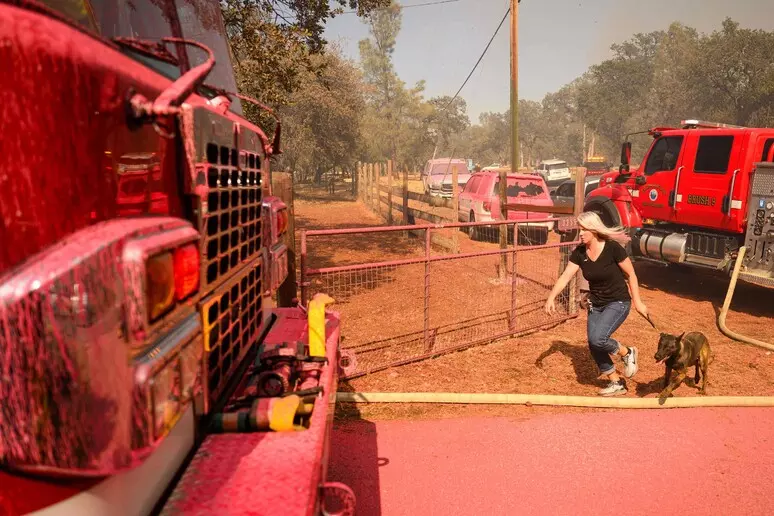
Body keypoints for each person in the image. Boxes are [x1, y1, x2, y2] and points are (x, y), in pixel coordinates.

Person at [544, 211, 648, 396]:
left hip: (618, 301)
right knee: (594, 344)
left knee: (598, 339)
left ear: (594, 229)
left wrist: (638, 302)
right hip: (596, 304)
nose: (581, 233)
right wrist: (551, 297)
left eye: (584, 230)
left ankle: (627, 352)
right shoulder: (580, 253)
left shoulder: (613, 248)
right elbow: (566, 276)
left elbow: (631, 274)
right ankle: (616, 383)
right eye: (580, 229)